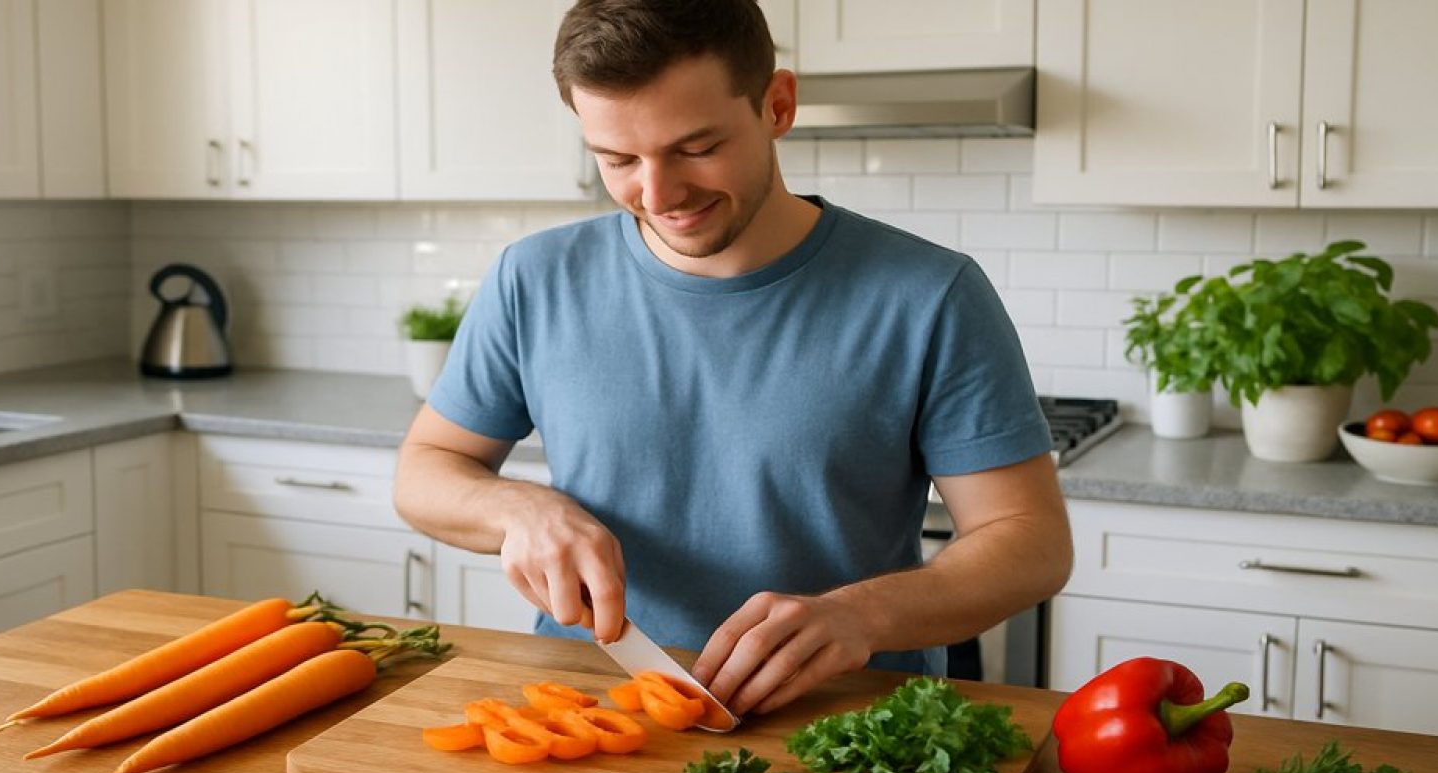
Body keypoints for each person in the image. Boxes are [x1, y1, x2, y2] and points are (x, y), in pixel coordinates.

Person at [394, 0, 1071, 718]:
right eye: (617, 159)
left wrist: (861, 616)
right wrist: (518, 510)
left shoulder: (931, 295)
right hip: (590, 711)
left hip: (847, 721)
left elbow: (1029, 542)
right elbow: (426, 469)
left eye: (695, 147)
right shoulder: (534, 278)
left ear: (777, 105)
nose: (658, 195)